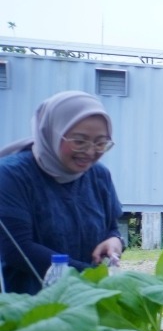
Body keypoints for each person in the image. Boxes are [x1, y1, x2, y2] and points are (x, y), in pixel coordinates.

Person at [0, 91, 124, 294]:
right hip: (30, 306)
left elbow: (112, 228)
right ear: (52, 133)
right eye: (79, 141)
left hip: (88, 300)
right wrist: (89, 276)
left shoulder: (99, 175)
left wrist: (115, 242)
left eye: (101, 143)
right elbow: (18, 249)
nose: (91, 151)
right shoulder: (11, 175)